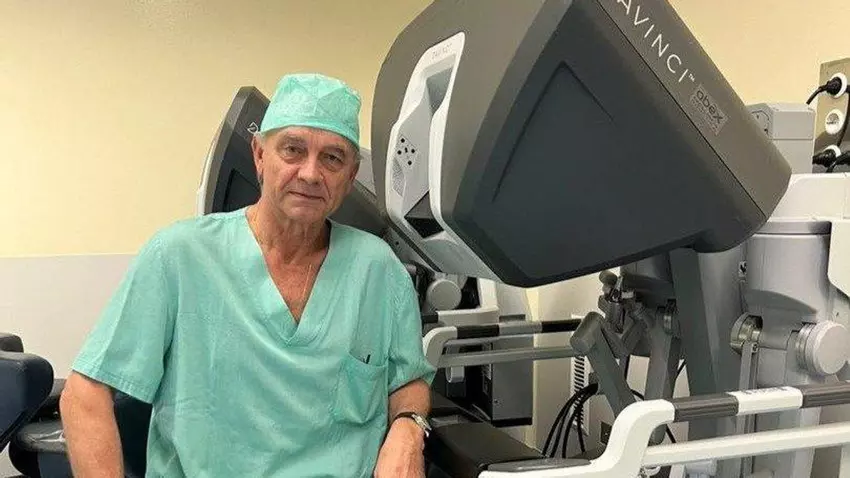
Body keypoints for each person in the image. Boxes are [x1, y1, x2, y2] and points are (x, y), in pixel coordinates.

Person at [59, 73, 436, 478]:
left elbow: (407, 380)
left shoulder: (378, 269)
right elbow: (85, 394)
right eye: (292, 150)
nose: (311, 174)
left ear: (350, 175)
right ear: (259, 155)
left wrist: (409, 427)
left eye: (332, 158)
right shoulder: (180, 256)